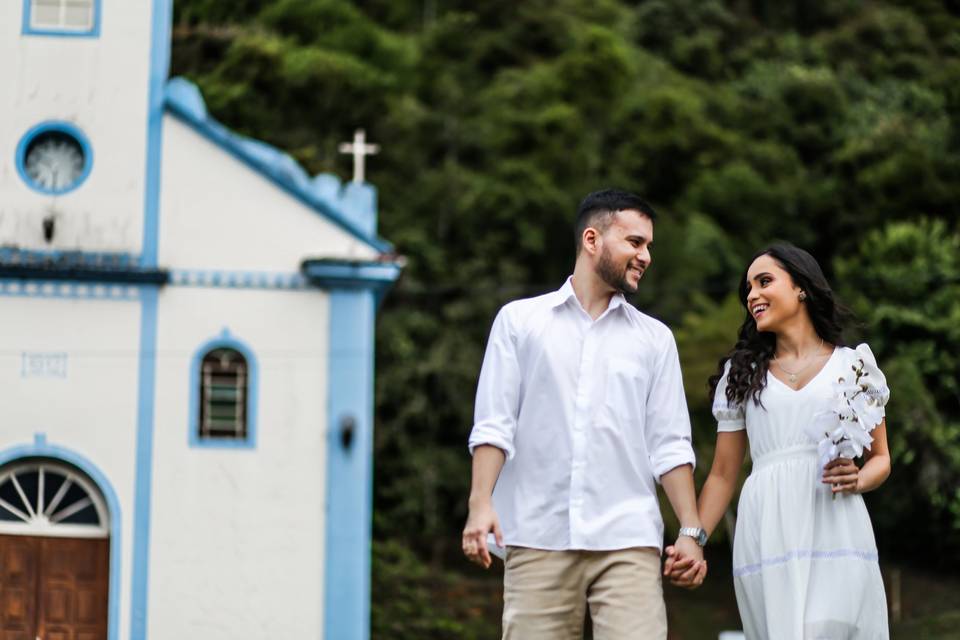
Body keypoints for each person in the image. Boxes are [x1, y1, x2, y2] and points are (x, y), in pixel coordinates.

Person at [462, 188, 707, 640]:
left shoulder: (655, 340)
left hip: (628, 540)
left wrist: (691, 532)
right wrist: (481, 504)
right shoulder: (519, 322)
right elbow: (495, 424)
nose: (646, 256)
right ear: (592, 240)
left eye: (649, 245)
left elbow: (670, 445)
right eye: (635, 242)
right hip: (536, 534)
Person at [666, 243, 891, 639]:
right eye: (748, 289)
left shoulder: (854, 367)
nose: (753, 295)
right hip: (766, 526)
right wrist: (693, 539)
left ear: (801, 287)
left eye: (764, 281)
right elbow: (722, 475)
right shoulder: (742, 375)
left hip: (835, 522)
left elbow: (881, 458)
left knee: (831, 626)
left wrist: (858, 479)